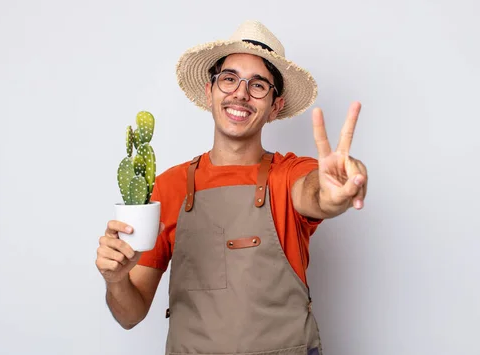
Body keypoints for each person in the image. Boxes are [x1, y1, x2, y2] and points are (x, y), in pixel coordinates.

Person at [96, 20, 368, 355]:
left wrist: (337, 188)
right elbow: (129, 314)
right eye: (229, 79)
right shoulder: (169, 186)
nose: (240, 92)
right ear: (209, 93)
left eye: (258, 85)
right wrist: (116, 280)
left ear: (275, 106)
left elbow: (316, 195)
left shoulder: (289, 174)